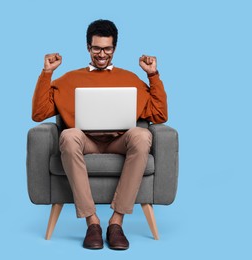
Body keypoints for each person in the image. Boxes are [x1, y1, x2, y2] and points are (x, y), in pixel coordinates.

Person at [32, 19, 168, 250]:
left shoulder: (130, 80)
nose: (102, 54)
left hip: (118, 141)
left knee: (142, 136)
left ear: (114, 48)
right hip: (86, 142)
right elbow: (38, 113)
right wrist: (47, 73)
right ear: (88, 47)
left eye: (107, 48)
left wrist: (152, 75)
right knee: (69, 136)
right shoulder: (68, 80)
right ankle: (92, 222)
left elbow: (160, 114)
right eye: (97, 48)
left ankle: (116, 222)